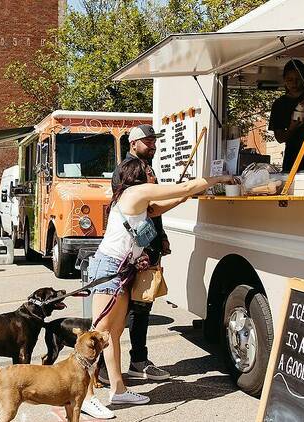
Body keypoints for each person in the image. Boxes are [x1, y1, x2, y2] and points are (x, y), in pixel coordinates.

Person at [85, 158, 233, 414]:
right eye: (149, 171)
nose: (153, 175)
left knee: (114, 333)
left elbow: (159, 209)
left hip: (121, 270)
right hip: (109, 269)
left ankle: (118, 391)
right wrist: (218, 179)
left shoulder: (136, 199)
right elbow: (183, 188)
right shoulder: (136, 191)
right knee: (98, 337)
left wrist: (185, 197)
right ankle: (85, 397)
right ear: (137, 175)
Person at [97, 124, 173, 387]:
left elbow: (151, 212)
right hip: (129, 253)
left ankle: (135, 362)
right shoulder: (129, 171)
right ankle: (111, 369)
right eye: (147, 141)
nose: (152, 145)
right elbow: (147, 210)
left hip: (144, 247)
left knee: (141, 305)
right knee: (126, 311)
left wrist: (160, 237)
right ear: (133, 144)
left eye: (154, 141)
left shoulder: (145, 167)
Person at [269, 59, 304, 172]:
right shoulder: (280, 104)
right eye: (290, 79)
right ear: (284, 80)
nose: (294, 83)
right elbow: (279, 138)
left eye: (298, 79)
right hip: (292, 157)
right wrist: (292, 128)